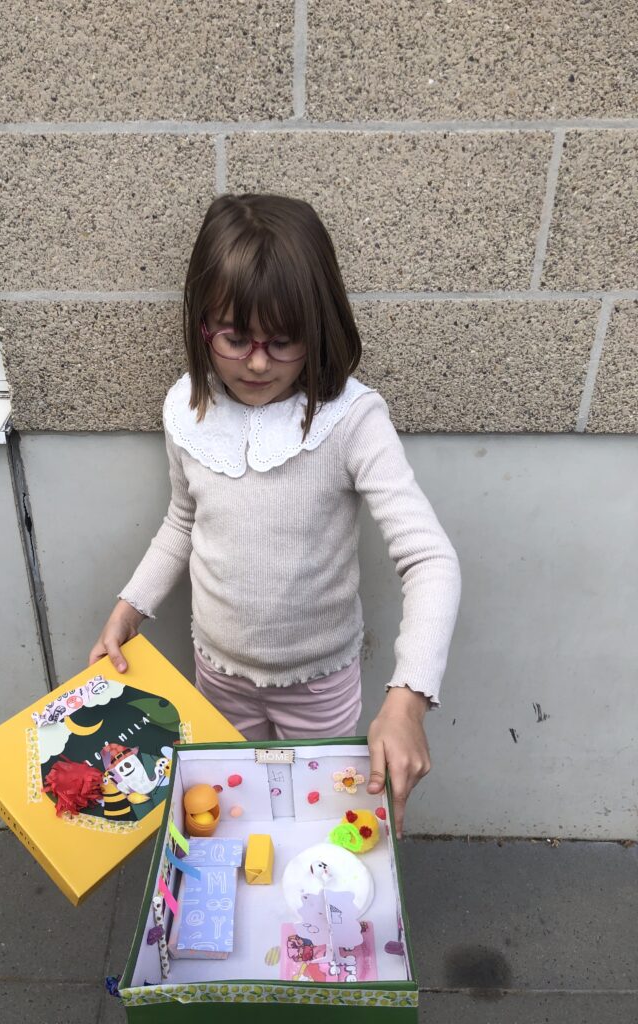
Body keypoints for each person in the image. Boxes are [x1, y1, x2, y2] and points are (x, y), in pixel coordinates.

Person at [90, 193, 461, 836]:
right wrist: (129, 608)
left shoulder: (352, 420)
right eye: (236, 339)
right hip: (219, 671)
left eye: (283, 341)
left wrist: (408, 698)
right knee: (230, 815)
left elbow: (429, 558)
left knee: (316, 821)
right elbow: (182, 522)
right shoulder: (188, 410)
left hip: (318, 682)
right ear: (202, 326)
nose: (258, 362)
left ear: (318, 327)